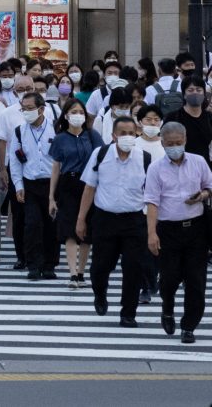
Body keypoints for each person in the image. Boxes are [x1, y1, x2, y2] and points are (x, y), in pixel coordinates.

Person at [76, 116, 149, 328]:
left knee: (133, 268)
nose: (127, 137)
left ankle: (128, 313)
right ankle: (100, 294)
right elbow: (89, 187)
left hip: (134, 220)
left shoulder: (144, 158)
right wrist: (81, 219)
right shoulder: (100, 155)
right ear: (113, 135)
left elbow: (151, 194)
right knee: (100, 267)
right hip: (105, 219)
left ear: (136, 134)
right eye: (122, 133)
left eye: (131, 133)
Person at [145, 121, 212, 343]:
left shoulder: (199, 162)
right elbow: (152, 202)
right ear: (162, 143)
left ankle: (189, 326)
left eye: (179, 143)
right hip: (168, 229)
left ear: (185, 141)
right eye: (170, 143)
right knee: (170, 278)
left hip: (196, 228)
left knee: (196, 280)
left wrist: (201, 195)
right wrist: (152, 233)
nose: (175, 147)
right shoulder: (155, 169)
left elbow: (209, 186)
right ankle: (167, 309)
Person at [48, 98, 102, 288]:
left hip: (89, 184)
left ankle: (81, 272)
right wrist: (51, 197)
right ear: (66, 115)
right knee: (70, 230)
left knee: (86, 230)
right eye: (73, 112)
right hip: (68, 183)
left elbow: (101, 159)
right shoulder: (60, 138)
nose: (77, 115)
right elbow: (56, 168)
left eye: (80, 112)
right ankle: (72, 274)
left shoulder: (92, 136)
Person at [8, 92, 59, 280]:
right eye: (24, 109)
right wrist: (18, 185)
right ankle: (33, 265)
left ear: (41, 109)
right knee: (32, 225)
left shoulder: (56, 129)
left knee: (50, 225)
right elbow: (15, 160)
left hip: (51, 184)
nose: (27, 112)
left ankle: (49, 264)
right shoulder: (19, 131)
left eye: (30, 109)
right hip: (30, 184)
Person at [164, 76, 212, 165]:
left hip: (206, 167)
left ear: (204, 93)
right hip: (181, 165)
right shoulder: (173, 117)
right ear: (184, 94)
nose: (195, 93)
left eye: (199, 90)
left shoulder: (209, 117)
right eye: (190, 90)